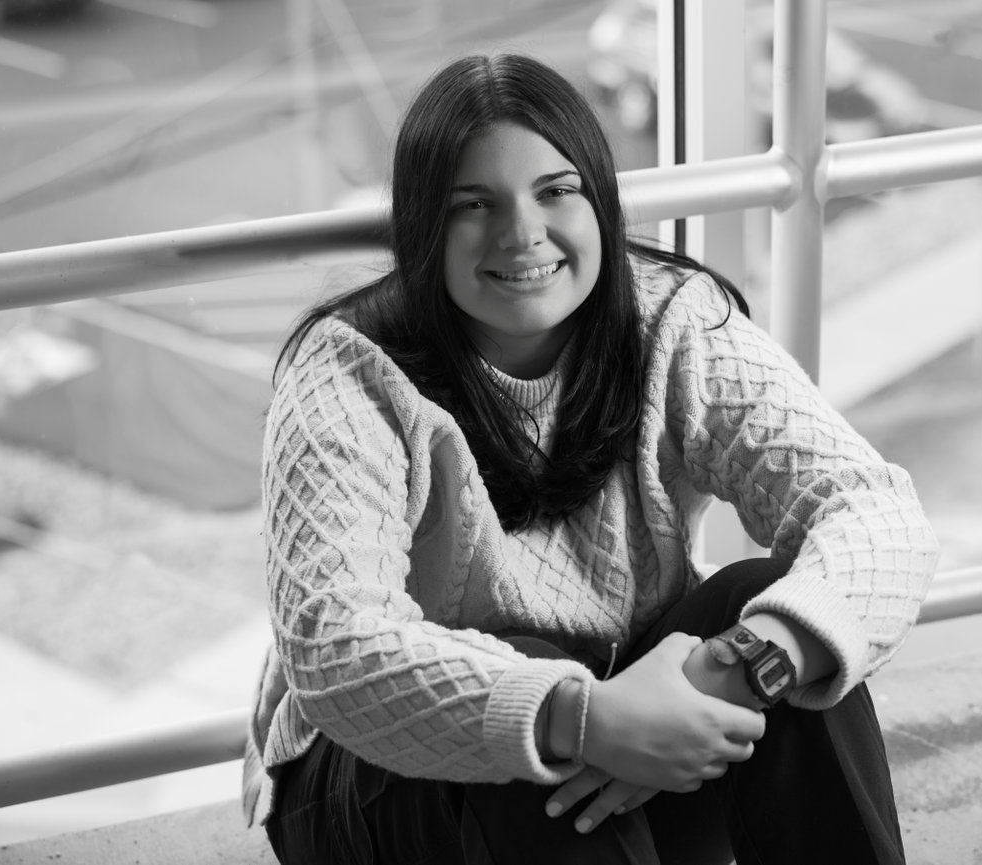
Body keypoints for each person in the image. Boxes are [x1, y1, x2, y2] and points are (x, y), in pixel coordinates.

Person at [242, 52, 940, 865]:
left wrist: (750, 666)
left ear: (600, 199)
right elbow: (336, 646)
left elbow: (874, 508)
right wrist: (582, 717)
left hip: (636, 726)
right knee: (525, 668)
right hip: (375, 782)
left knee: (773, 610)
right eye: (475, 205)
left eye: (556, 190)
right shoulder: (349, 370)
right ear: (424, 225)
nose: (521, 234)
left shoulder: (669, 323)